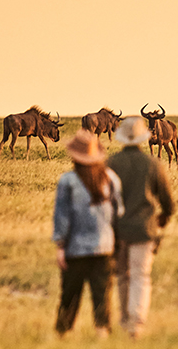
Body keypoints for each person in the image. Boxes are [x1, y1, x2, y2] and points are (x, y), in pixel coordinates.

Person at [106, 117, 174, 338]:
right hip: (145, 229)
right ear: (144, 138)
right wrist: (164, 217)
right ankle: (136, 323)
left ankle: (125, 319)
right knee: (140, 275)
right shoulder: (152, 164)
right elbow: (167, 200)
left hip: (117, 230)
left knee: (122, 276)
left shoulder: (111, 163)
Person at [52, 129, 124, 337]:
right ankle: (102, 335)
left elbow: (62, 217)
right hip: (104, 247)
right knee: (102, 295)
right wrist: (117, 244)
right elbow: (119, 214)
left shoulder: (68, 181)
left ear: (74, 156)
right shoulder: (110, 178)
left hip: (75, 249)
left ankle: (62, 336)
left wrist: (60, 246)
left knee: (70, 295)